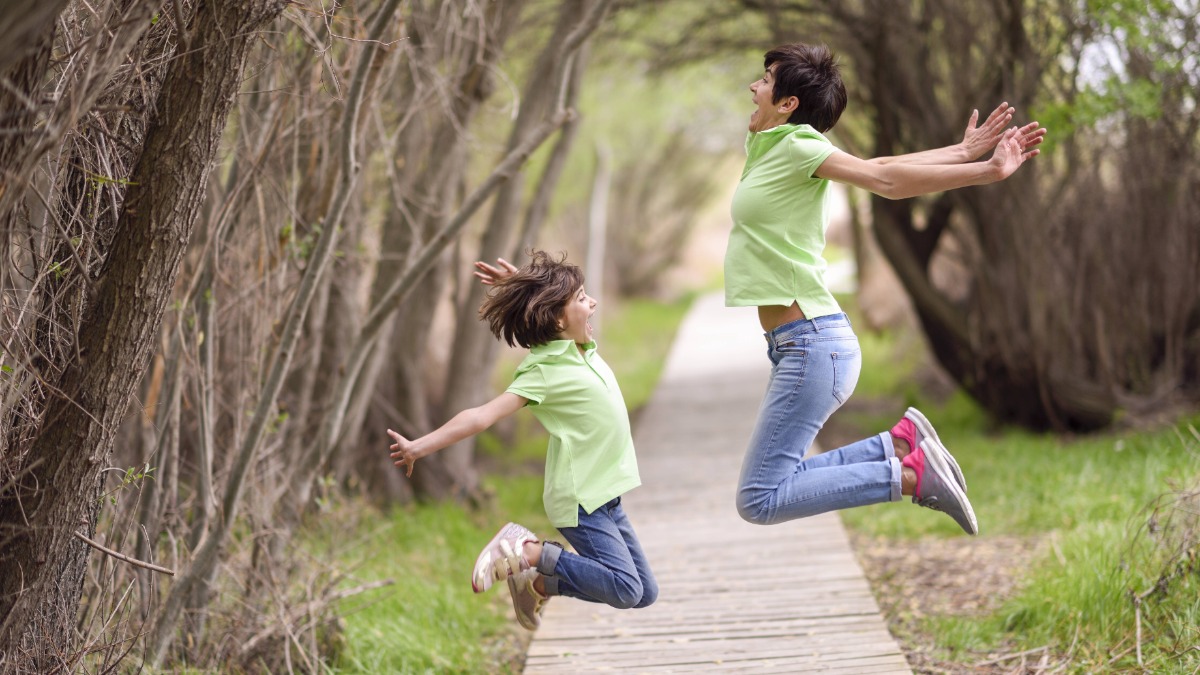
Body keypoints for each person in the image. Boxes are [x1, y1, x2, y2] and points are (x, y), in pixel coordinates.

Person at [729, 43, 1046, 535]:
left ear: (789, 103)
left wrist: (986, 170)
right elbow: (880, 162)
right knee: (770, 486)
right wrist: (962, 150)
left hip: (812, 346)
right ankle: (896, 445)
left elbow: (883, 179)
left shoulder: (797, 145)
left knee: (760, 498)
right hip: (799, 346)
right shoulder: (768, 146)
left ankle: (907, 474)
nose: (754, 87)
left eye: (765, 80)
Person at [387, 251, 657, 631]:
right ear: (560, 318)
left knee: (644, 593)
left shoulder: (579, 347)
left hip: (607, 495)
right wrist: (420, 446)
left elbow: (550, 307)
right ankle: (530, 551)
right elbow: (481, 416)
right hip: (581, 500)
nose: (592, 302)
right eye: (581, 297)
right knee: (626, 589)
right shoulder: (543, 370)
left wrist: (522, 287)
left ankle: (542, 582)